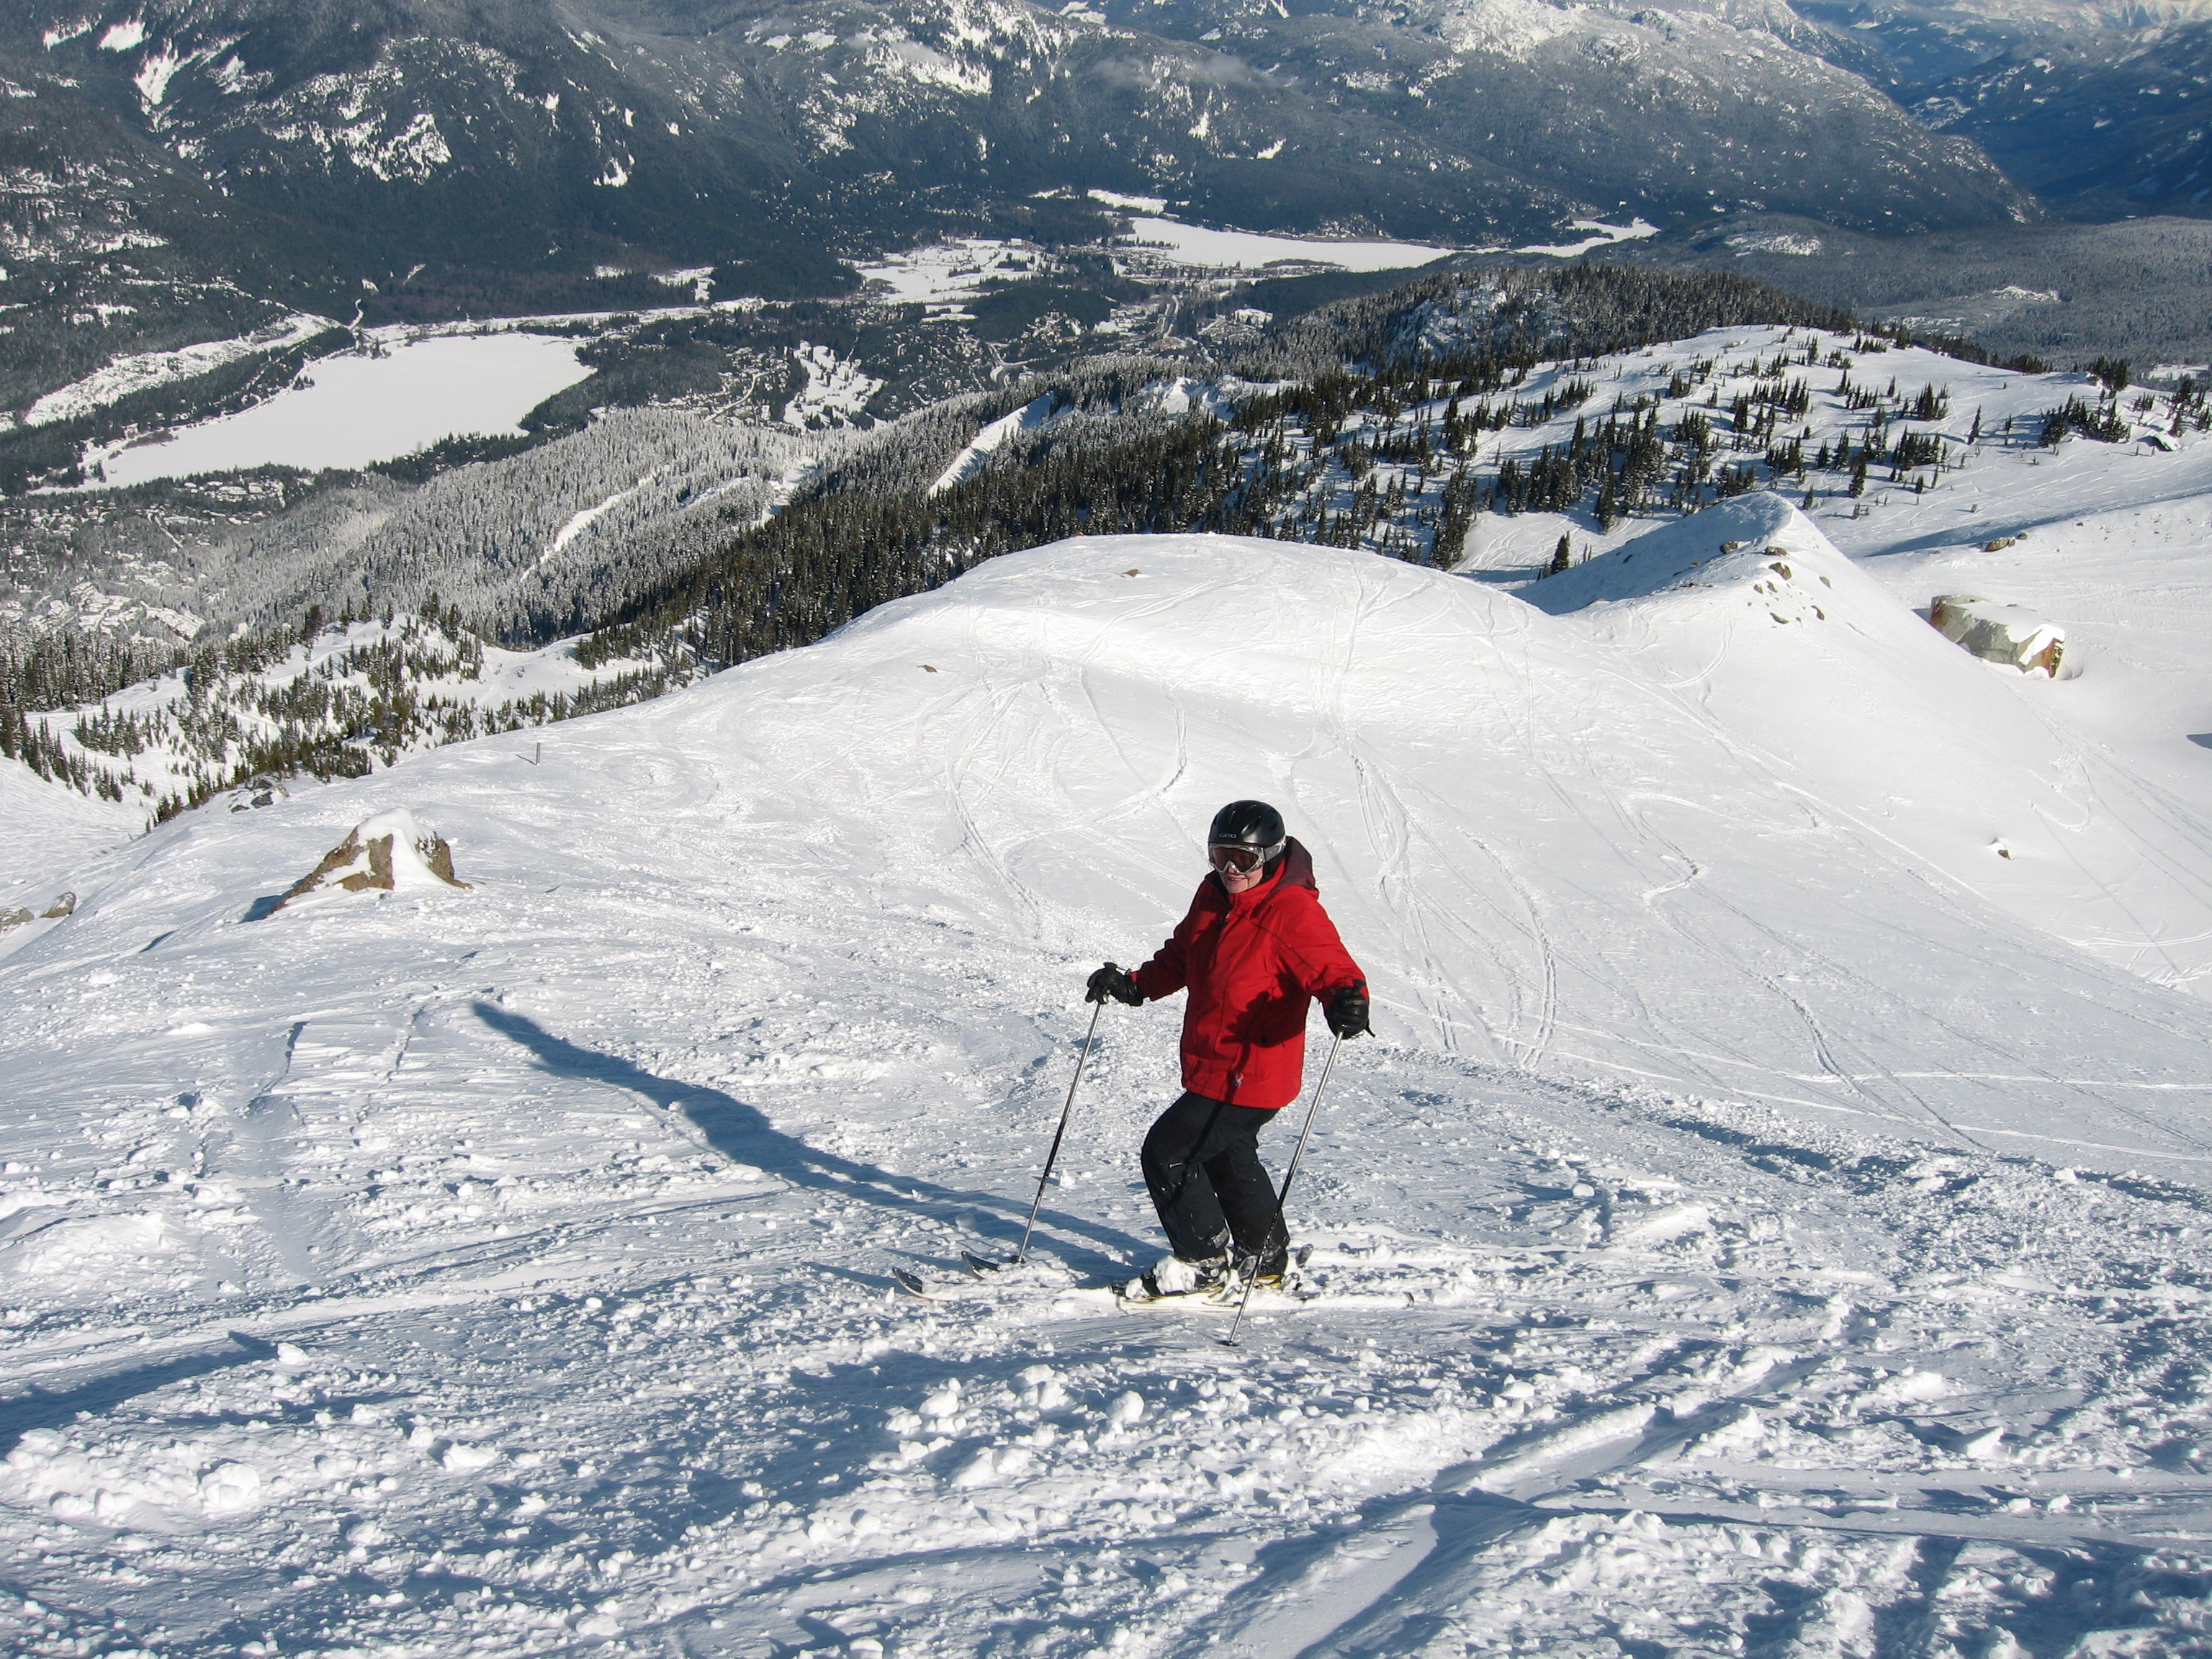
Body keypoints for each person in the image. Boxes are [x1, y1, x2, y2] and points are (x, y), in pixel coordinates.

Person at [1086, 800, 1370, 1300]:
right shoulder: (1214, 894)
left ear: (1272, 855)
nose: (1231, 869)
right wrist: (1136, 985)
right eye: (1221, 855)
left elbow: (1336, 973)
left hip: (1254, 1069)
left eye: (1244, 858)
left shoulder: (1292, 910)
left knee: (1169, 1153)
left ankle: (1202, 1262)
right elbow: (1184, 954)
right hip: (1212, 1064)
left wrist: (1349, 1004)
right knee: (1228, 1157)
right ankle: (1265, 1257)